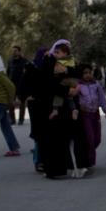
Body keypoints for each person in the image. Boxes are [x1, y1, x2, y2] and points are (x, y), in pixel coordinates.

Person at [35, 41, 80, 178]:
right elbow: (50, 84)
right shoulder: (49, 63)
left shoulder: (64, 63)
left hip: (60, 106)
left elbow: (74, 73)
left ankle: (61, 168)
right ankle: (54, 169)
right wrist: (67, 90)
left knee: (59, 139)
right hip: (50, 105)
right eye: (56, 52)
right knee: (52, 140)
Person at [74, 63, 106, 176]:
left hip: (95, 114)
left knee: (97, 139)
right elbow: (75, 98)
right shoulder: (78, 85)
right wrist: (80, 106)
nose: (87, 75)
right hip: (84, 115)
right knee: (89, 138)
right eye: (85, 73)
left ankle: (87, 154)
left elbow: (102, 98)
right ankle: (89, 162)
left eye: (89, 73)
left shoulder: (96, 84)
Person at [7, 46, 28, 125]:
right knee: (10, 103)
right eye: (13, 51)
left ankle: (21, 120)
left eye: (15, 51)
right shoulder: (10, 61)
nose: (14, 52)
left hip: (22, 85)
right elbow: (8, 73)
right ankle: (12, 120)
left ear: (19, 51)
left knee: (22, 103)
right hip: (12, 86)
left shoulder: (25, 61)